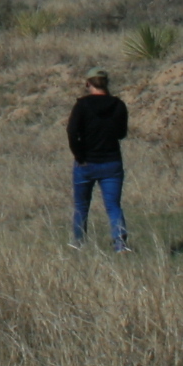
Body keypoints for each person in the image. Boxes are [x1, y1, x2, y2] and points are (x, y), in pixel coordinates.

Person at [64, 70, 134, 252]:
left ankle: (79, 243)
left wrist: (79, 154)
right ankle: (120, 244)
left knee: (81, 206)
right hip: (111, 162)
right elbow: (122, 133)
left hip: (86, 162)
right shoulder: (118, 105)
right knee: (113, 206)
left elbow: (71, 131)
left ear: (88, 84)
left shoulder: (81, 105)